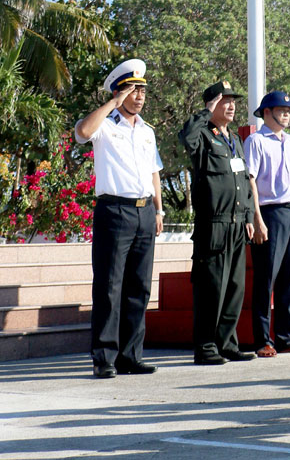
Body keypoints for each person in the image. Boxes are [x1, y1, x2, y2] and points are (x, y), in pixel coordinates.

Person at [74, 58, 163, 379]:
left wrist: (159, 208)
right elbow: (82, 132)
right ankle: (104, 357)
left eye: (142, 90)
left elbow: (154, 171)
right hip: (114, 211)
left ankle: (130, 355)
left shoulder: (147, 131)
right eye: (133, 90)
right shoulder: (105, 125)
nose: (139, 96)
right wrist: (112, 102)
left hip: (144, 212)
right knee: (109, 286)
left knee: (139, 287)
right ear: (119, 92)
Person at [179, 80, 263, 365]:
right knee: (211, 287)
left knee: (234, 288)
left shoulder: (234, 140)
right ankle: (205, 347)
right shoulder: (202, 134)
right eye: (223, 100)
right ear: (212, 104)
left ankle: (227, 343)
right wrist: (205, 111)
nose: (231, 105)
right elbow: (186, 137)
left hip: (237, 224)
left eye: (233, 100)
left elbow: (242, 180)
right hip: (213, 224)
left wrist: (248, 216)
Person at [244, 90, 290, 357]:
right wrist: (257, 218)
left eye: (289, 111)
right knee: (267, 278)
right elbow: (250, 180)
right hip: (270, 212)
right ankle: (263, 338)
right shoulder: (256, 141)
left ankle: (289, 336)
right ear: (267, 112)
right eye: (281, 110)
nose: (287, 114)